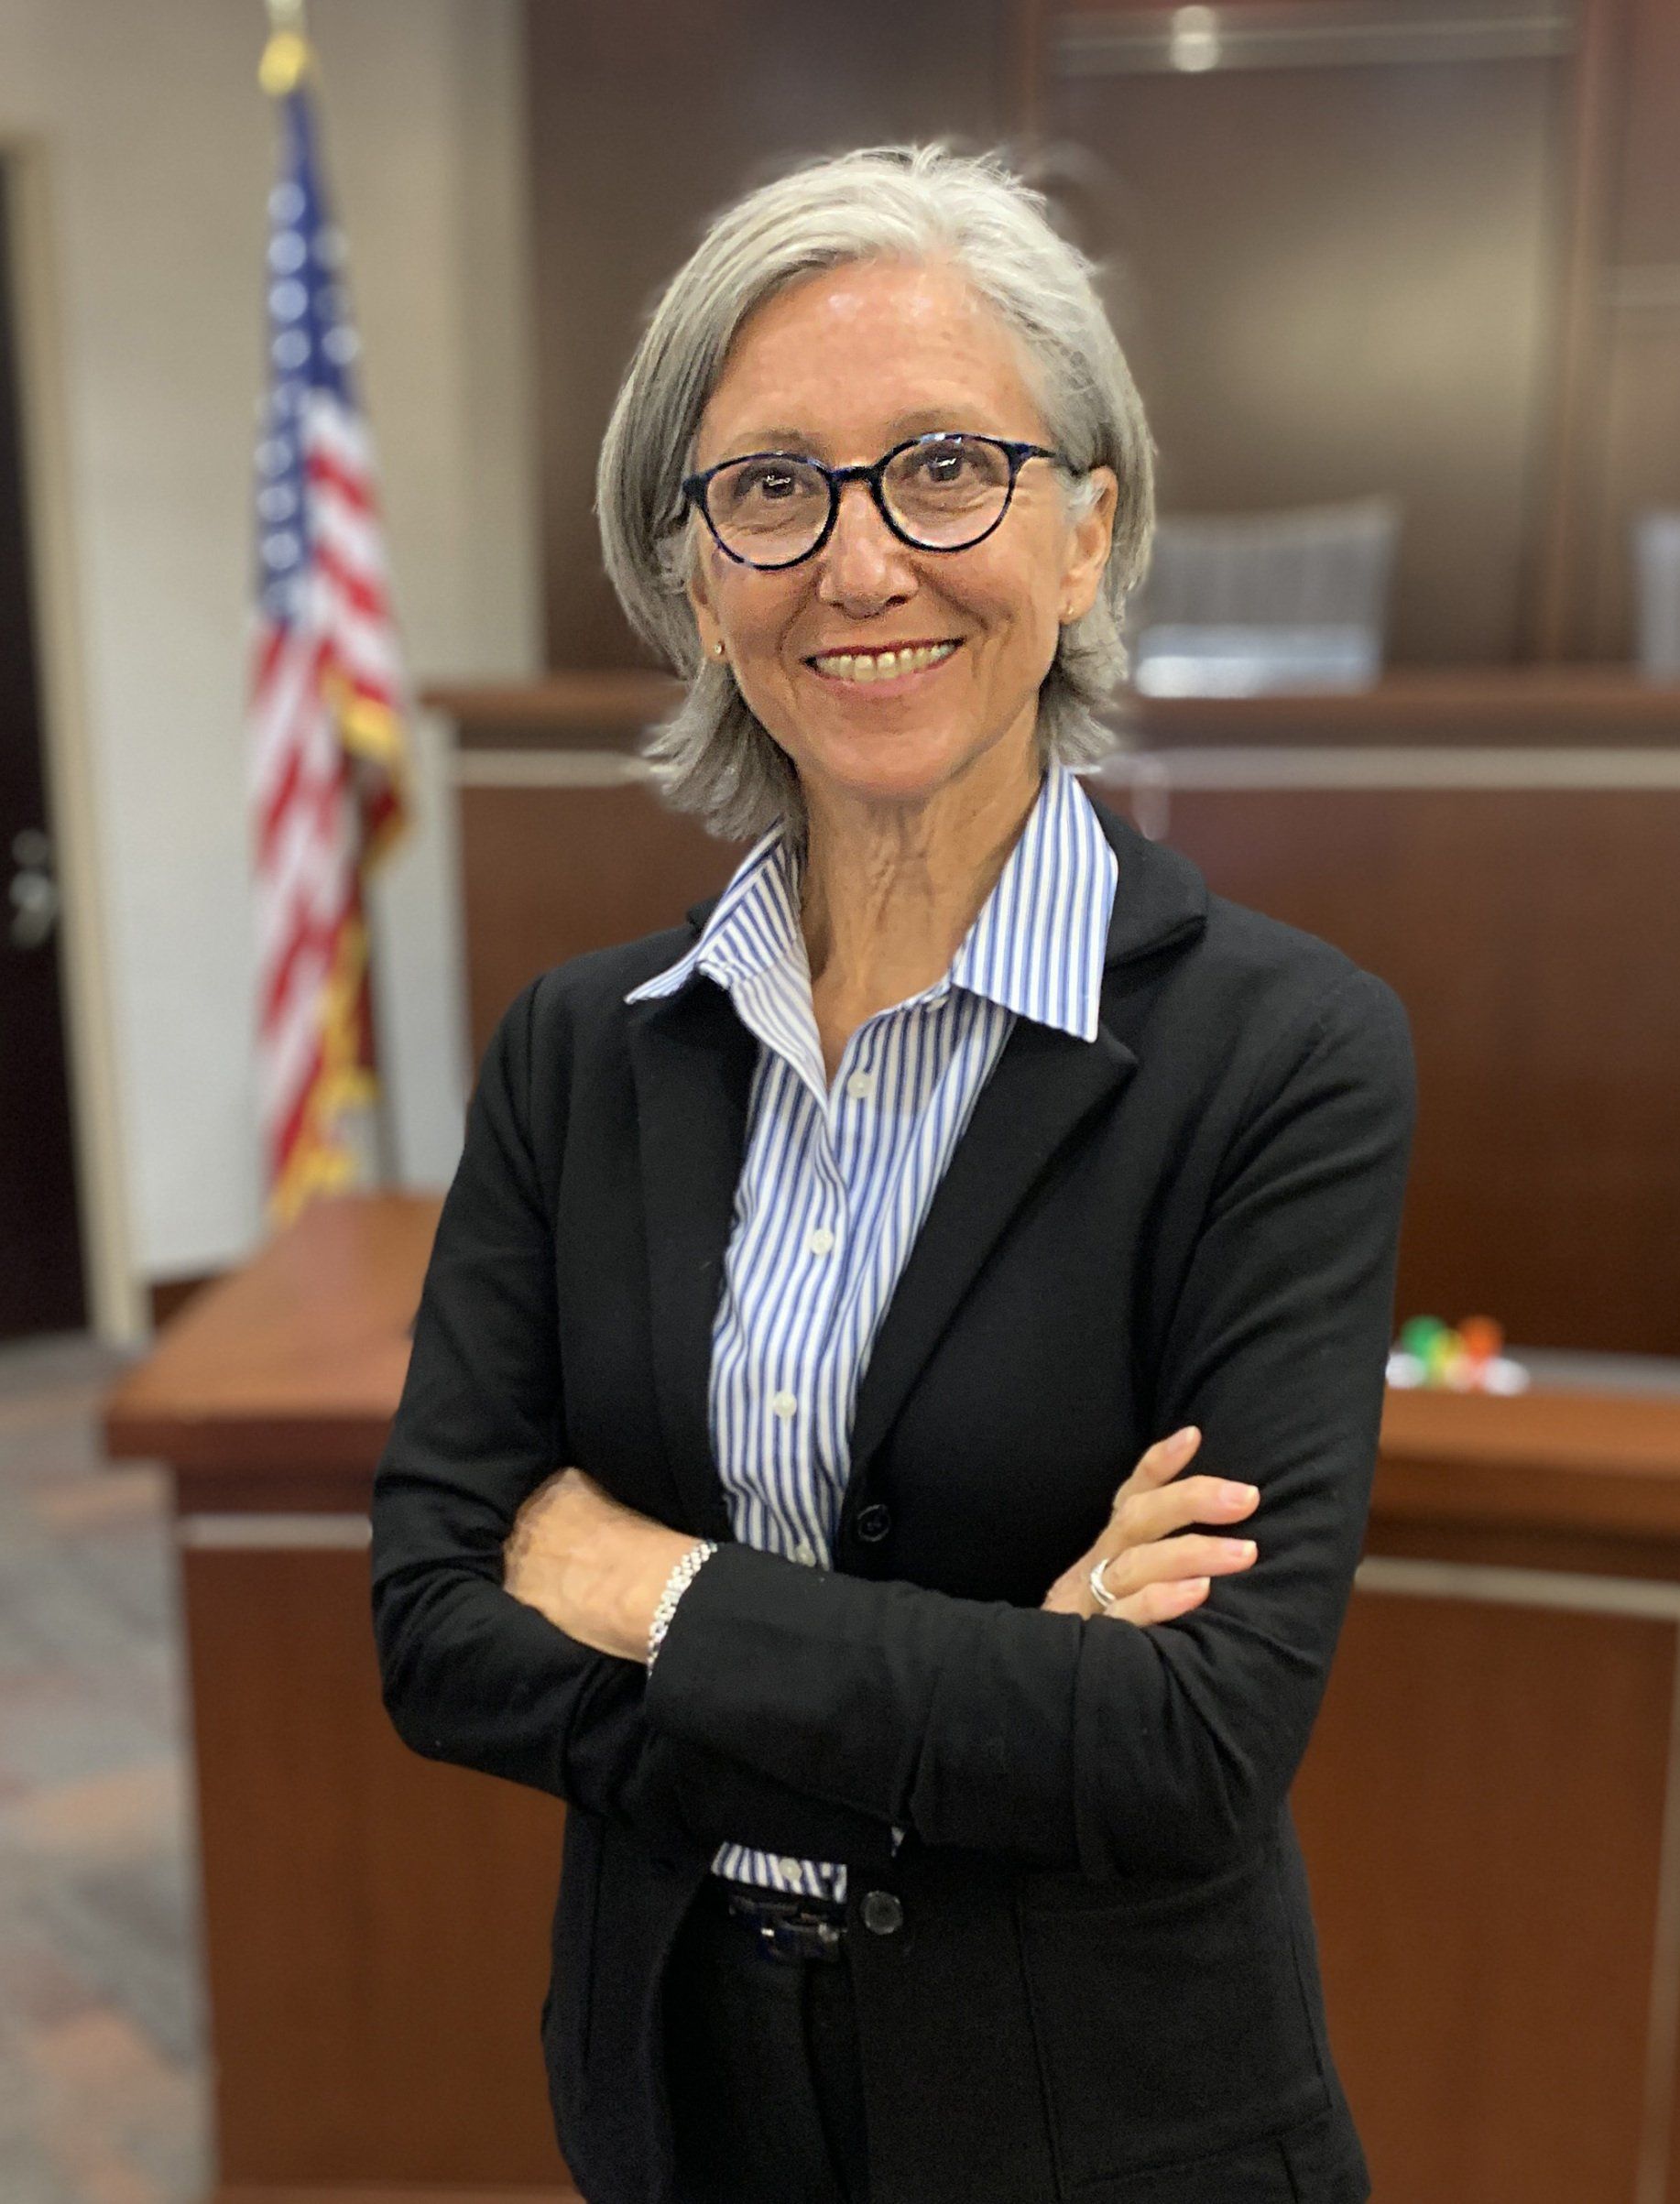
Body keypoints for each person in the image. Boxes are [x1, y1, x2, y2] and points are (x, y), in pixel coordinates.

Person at [370, 142, 1416, 2204]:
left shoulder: (1283, 1058)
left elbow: (1189, 1751)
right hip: (682, 2100)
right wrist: (985, 1694)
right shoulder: (583, 1054)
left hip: (1113, 2125)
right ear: (695, 570)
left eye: (944, 466)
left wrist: (647, 1587)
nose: (859, 566)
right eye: (770, 487)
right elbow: (429, 1621)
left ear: (1089, 530)